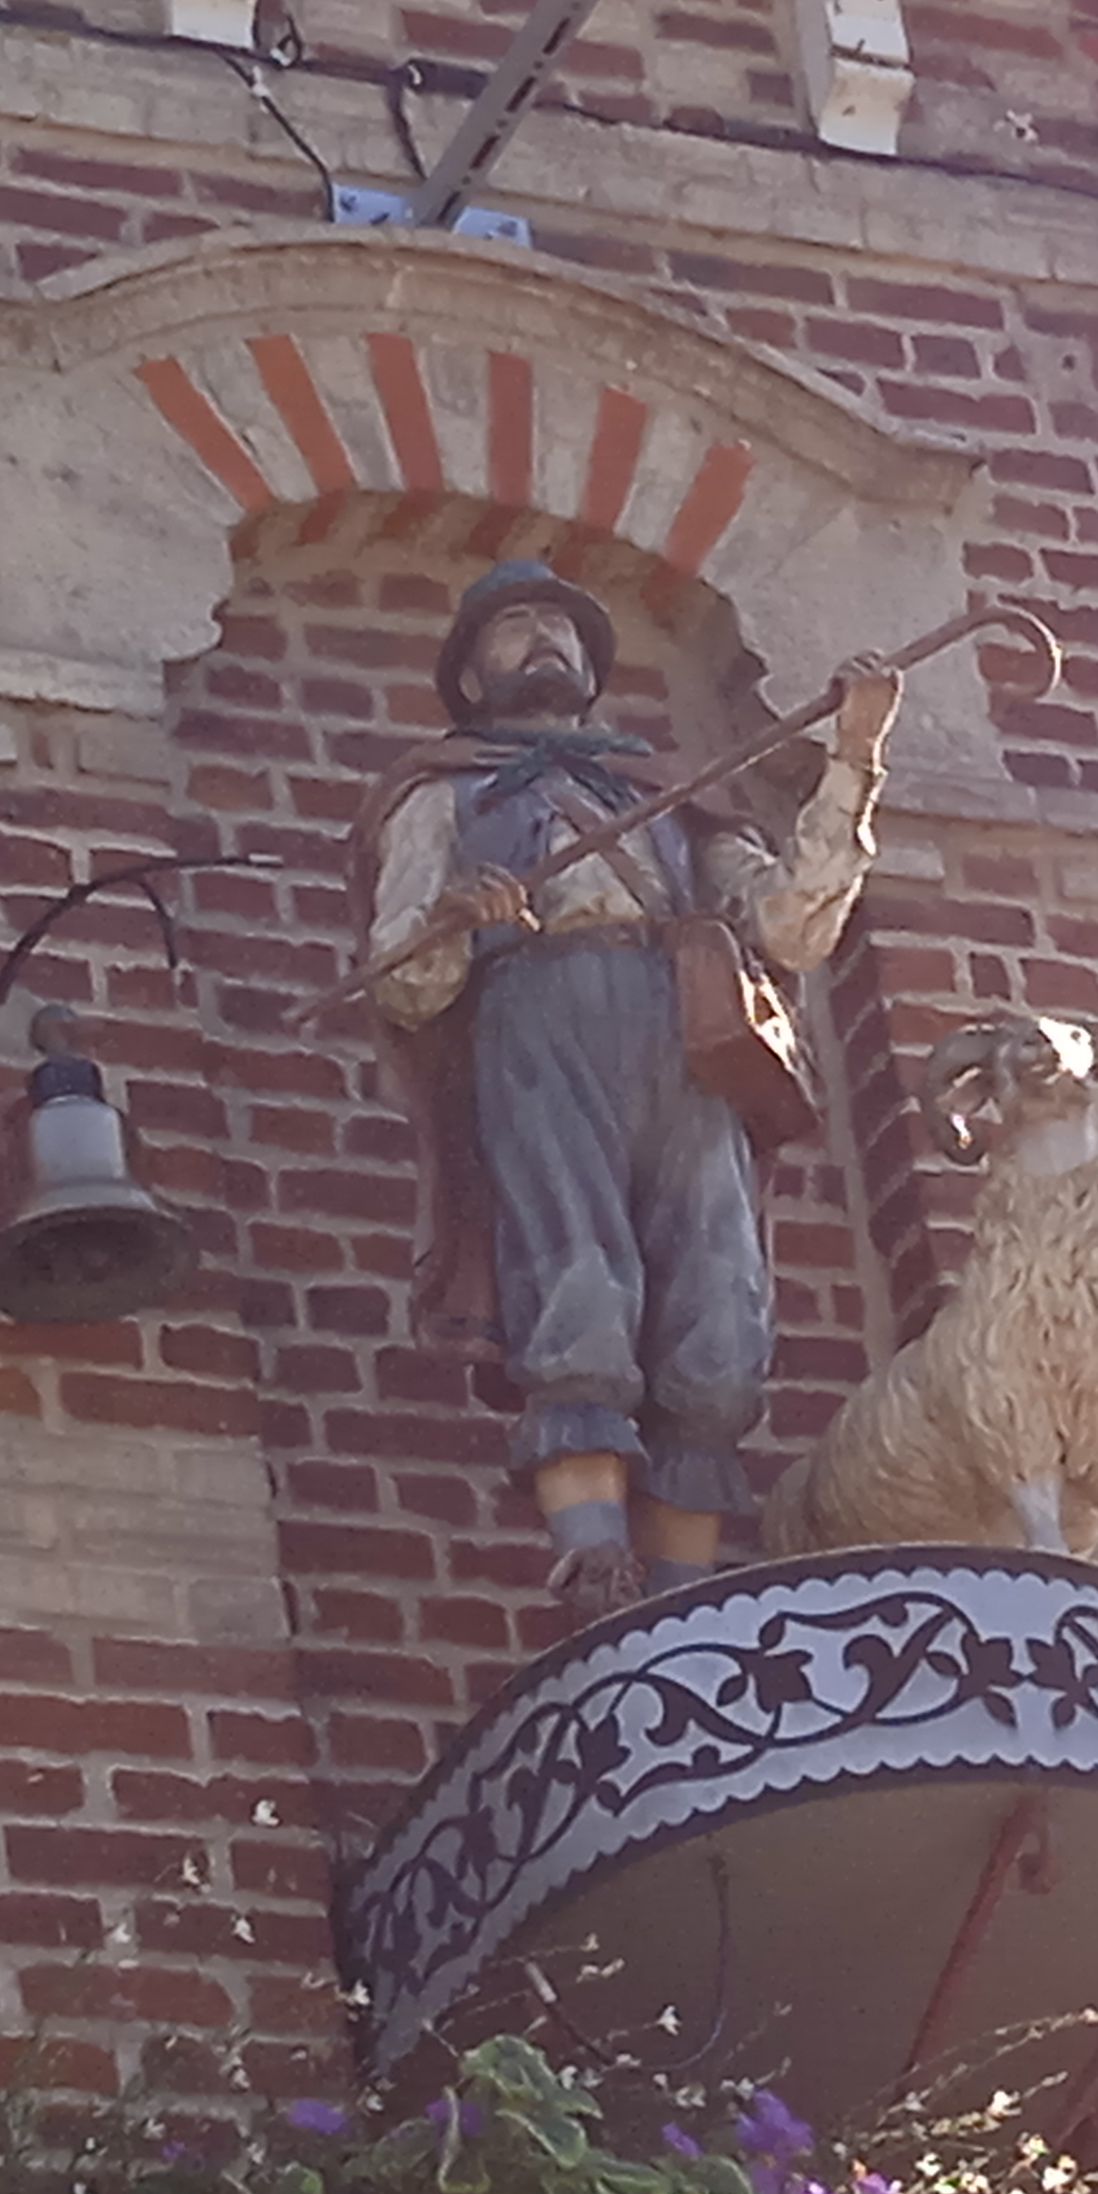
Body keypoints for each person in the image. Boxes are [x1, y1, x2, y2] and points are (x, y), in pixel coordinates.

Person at [352, 560, 902, 1621]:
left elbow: (789, 924)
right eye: (514, 625)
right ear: (471, 674)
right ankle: (597, 1564)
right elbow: (402, 981)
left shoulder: (671, 793)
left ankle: (684, 1599)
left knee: (717, 1305)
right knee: (573, 1276)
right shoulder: (440, 794)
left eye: (560, 625)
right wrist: (452, 923)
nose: (542, 639)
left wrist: (853, 760)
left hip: (681, 1023)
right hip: (536, 1012)